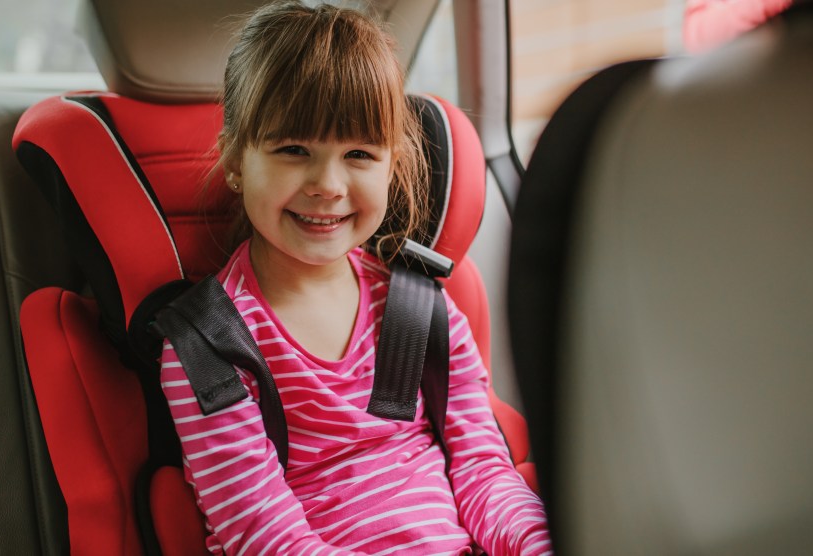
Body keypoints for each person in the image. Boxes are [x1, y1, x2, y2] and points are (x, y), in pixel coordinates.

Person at [159, 2, 552, 554]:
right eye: (293, 150)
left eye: (360, 153)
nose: (328, 184)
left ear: (393, 165)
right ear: (235, 161)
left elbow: (484, 472)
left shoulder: (420, 307)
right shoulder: (209, 347)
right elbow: (264, 535)